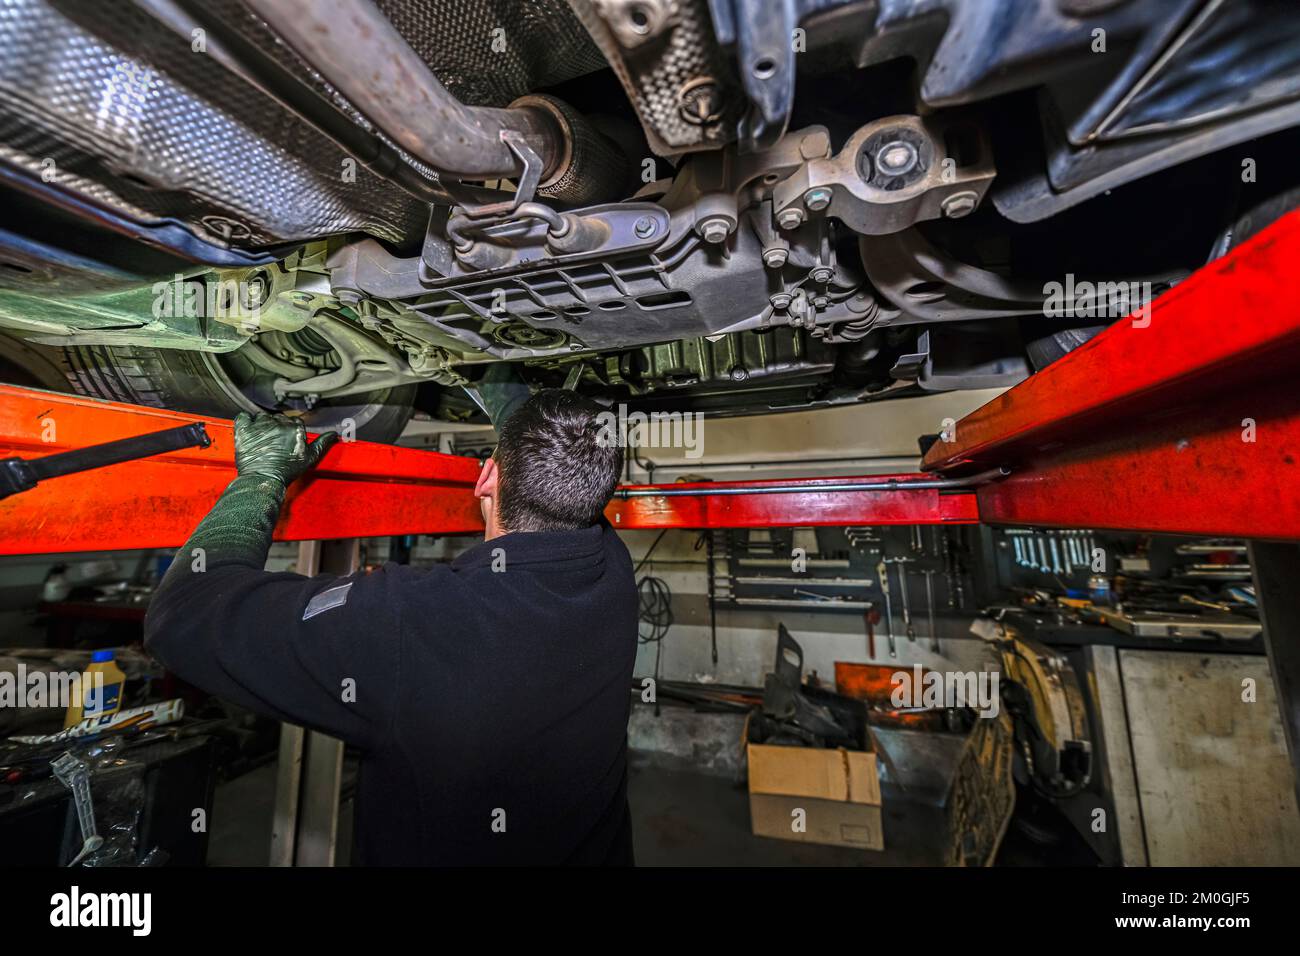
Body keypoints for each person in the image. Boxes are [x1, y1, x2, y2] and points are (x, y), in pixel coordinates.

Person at [144, 377, 638, 865]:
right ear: (595, 496)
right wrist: (502, 386)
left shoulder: (410, 623)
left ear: (485, 478)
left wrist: (261, 477)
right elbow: (558, 474)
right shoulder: (610, 573)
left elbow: (182, 612)